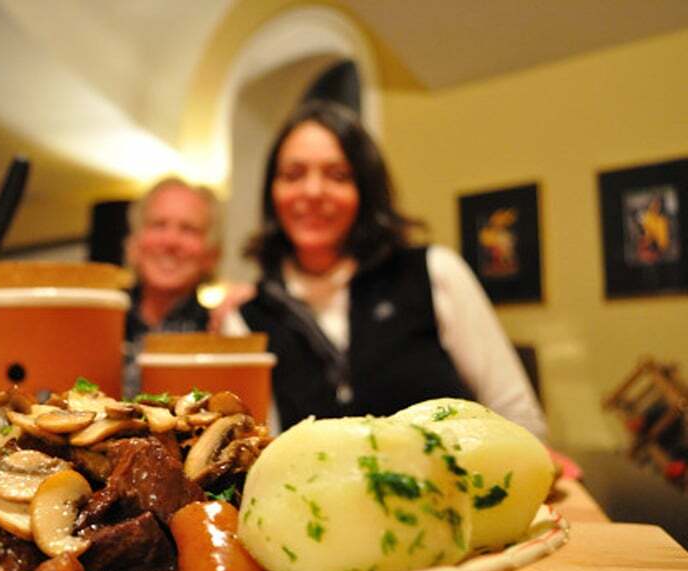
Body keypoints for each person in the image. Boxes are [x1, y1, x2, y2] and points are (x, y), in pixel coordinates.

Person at [224, 100, 548, 440]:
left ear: (365, 189)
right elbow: (262, 456)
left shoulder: (433, 272)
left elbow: (519, 418)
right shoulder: (247, 318)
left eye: (338, 176)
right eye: (293, 175)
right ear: (272, 193)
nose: (313, 191)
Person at [122, 176, 222, 395]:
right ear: (135, 242)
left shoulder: (223, 332)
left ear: (212, 254)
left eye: (189, 229)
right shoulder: (101, 327)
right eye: (158, 225)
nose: (170, 241)